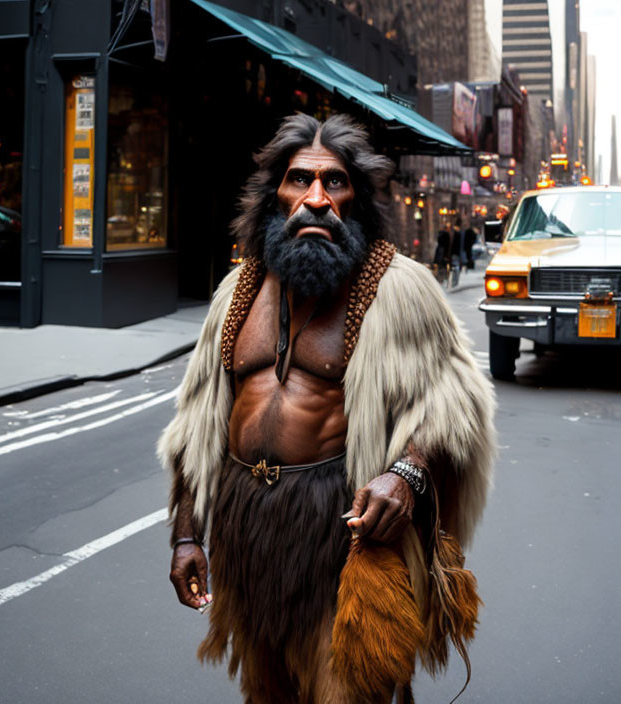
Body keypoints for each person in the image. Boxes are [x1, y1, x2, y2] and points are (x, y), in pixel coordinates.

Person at [159, 113, 495, 703]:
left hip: (345, 543)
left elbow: (454, 403)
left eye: (334, 182)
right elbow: (196, 429)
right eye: (299, 180)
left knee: (348, 693)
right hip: (251, 545)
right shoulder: (235, 295)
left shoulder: (397, 288)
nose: (316, 199)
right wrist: (186, 536)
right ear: (274, 198)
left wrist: (406, 473)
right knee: (268, 694)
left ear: (356, 202)